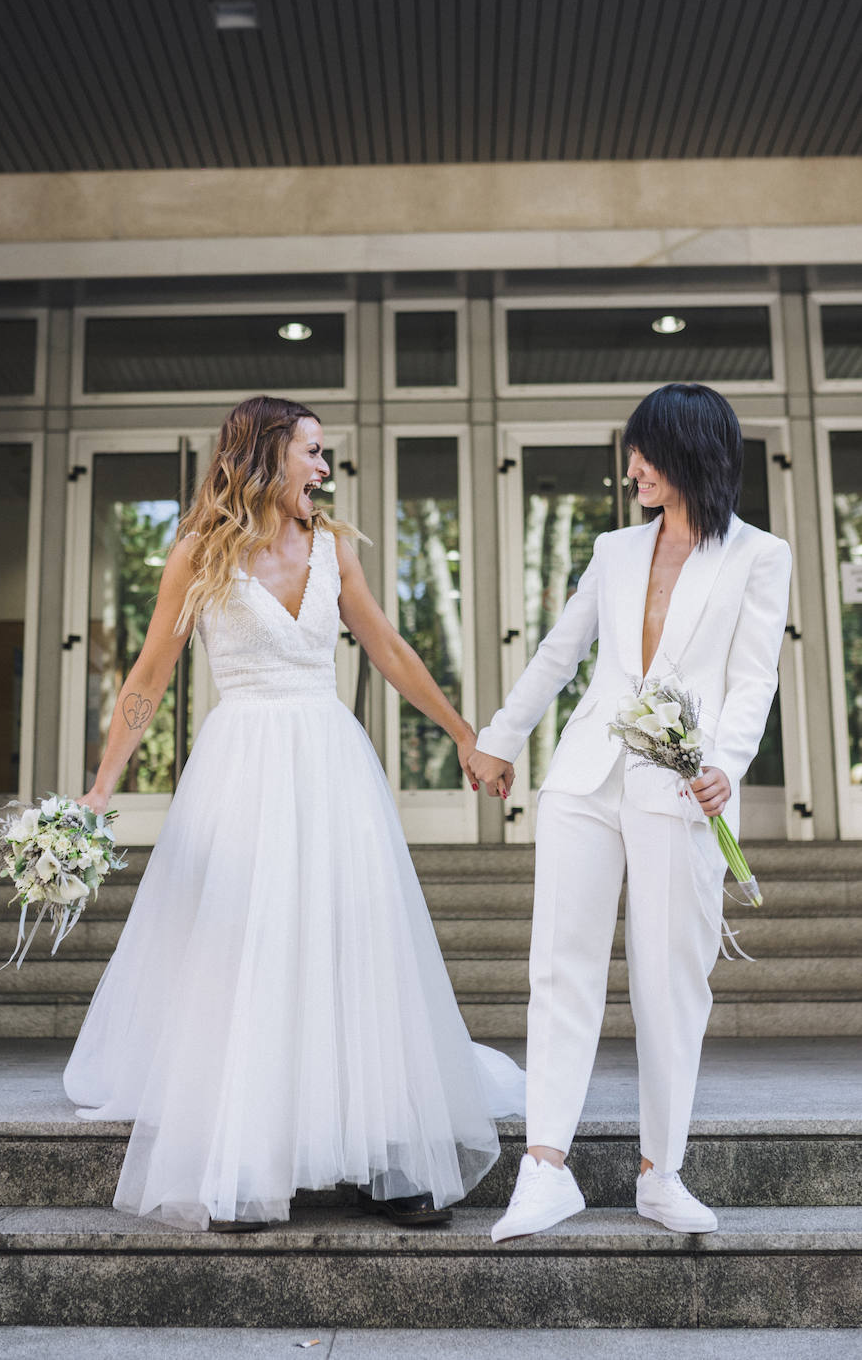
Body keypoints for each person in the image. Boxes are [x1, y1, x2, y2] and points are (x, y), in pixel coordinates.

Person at [64, 395, 523, 1232]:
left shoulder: (333, 548)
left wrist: (465, 735)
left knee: (354, 941)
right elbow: (147, 678)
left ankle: (390, 1156)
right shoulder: (198, 554)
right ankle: (243, 1160)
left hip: (329, 763)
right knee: (249, 947)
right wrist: (102, 787)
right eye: (312, 452)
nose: (322, 467)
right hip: (240, 766)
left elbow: (387, 647)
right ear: (268, 455)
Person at [468, 383, 792, 1241]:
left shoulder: (761, 555)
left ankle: (661, 1173)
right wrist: (499, 739)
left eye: (647, 452)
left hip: (680, 790)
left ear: (694, 452)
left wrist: (725, 762)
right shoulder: (615, 549)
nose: (633, 467)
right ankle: (544, 1169)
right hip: (583, 777)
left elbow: (753, 674)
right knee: (559, 967)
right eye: (632, 451)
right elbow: (559, 652)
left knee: (670, 982)